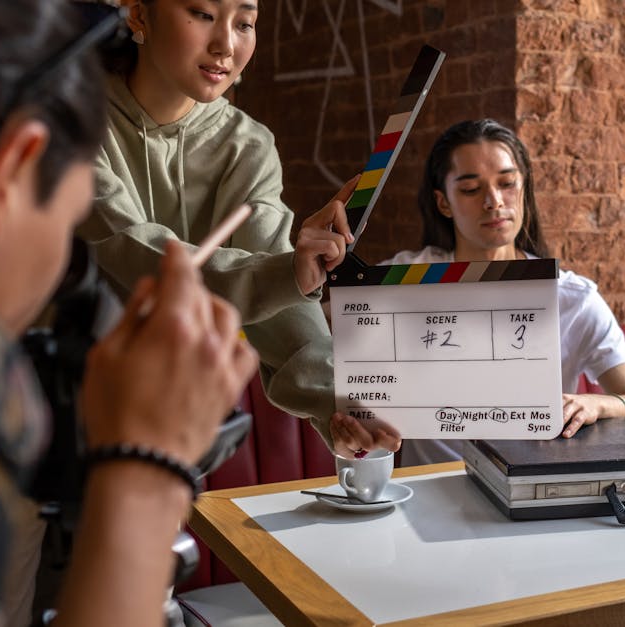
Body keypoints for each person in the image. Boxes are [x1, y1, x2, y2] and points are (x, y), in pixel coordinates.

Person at [0, 2, 259, 625]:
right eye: (70, 225)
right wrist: (147, 473)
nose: (224, 43)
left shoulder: (247, 144)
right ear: (7, 173)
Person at [75, 0, 398, 458]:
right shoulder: (77, 120)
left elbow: (275, 289)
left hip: (177, 429)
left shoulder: (249, 146)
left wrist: (339, 403)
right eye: (203, 15)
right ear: (139, 15)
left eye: (244, 23)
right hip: (57, 409)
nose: (226, 44)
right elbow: (131, 248)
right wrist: (286, 272)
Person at [383, 119, 625, 466]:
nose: (493, 201)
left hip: (531, 487)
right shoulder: (408, 278)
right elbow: (316, 321)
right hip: (430, 491)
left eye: (506, 184)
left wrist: (597, 404)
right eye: (471, 190)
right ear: (443, 202)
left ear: (523, 188)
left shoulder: (572, 298)